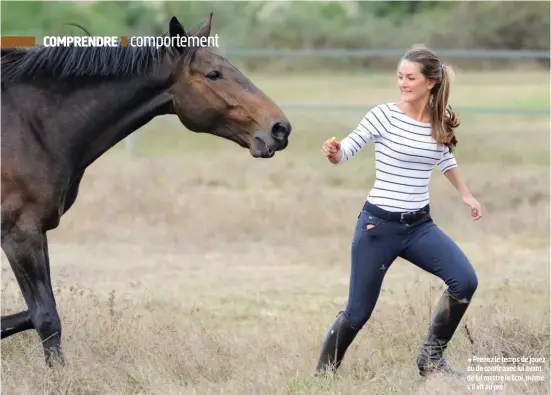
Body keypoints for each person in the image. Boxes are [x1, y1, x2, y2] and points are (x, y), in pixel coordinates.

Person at [315, 45, 482, 378]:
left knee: (464, 281)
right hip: (379, 227)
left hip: (419, 226)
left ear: (430, 82)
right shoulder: (383, 115)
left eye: (410, 78)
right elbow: (348, 148)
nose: (403, 83)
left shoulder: (440, 119)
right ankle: (322, 376)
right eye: (400, 77)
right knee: (357, 312)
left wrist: (466, 194)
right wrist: (335, 152)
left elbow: (444, 155)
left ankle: (431, 361)